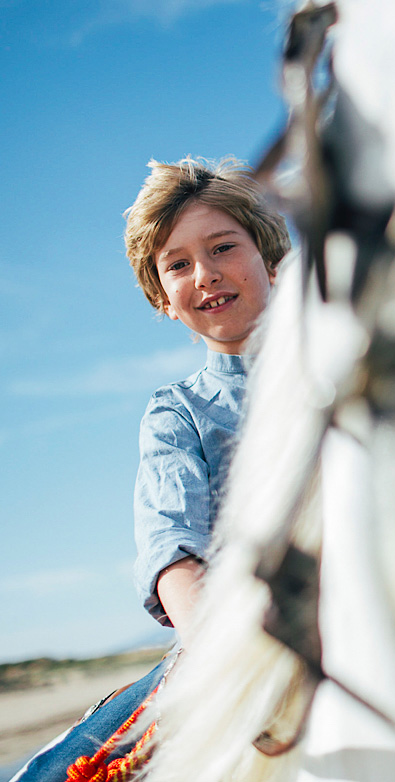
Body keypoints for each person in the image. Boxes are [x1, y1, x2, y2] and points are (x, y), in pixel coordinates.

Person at [10, 157, 290, 782]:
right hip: (237, 639)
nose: (206, 274)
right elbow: (173, 552)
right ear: (164, 300)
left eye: (223, 247)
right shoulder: (178, 413)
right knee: (58, 773)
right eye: (179, 264)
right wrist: (232, 656)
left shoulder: (349, 369)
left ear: (272, 262)